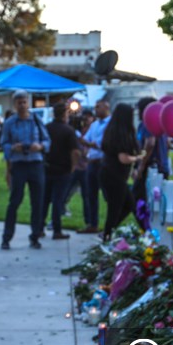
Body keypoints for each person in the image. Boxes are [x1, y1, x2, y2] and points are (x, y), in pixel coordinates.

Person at [0, 90, 50, 249]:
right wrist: (13, 148)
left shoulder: (36, 120)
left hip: (35, 164)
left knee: (38, 202)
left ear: (28, 103)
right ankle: (6, 237)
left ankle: (35, 235)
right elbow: (4, 143)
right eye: (19, 102)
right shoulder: (10, 123)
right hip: (19, 164)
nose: (22, 105)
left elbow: (47, 141)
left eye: (24, 102)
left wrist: (40, 146)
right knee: (15, 201)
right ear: (14, 104)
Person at [100, 103, 146, 241]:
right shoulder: (122, 135)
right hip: (115, 176)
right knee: (116, 208)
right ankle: (107, 234)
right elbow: (123, 158)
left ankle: (109, 231)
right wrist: (138, 158)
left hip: (109, 173)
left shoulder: (111, 131)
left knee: (128, 204)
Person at [42, 102, 75, 240]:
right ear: (64, 114)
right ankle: (57, 230)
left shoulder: (46, 128)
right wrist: (73, 167)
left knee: (44, 199)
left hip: (47, 167)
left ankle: (39, 228)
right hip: (63, 169)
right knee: (58, 200)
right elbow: (74, 151)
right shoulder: (68, 130)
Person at [78, 99, 110, 234]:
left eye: (98, 107)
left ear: (106, 107)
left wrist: (91, 144)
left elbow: (102, 144)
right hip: (92, 162)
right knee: (91, 194)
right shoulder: (95, 125)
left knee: (108, 194)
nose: (95, 109)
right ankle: (93, 223)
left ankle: (110, 224)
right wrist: (89, 144)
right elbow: (86, 140)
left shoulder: (111, 123)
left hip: (104, 162)